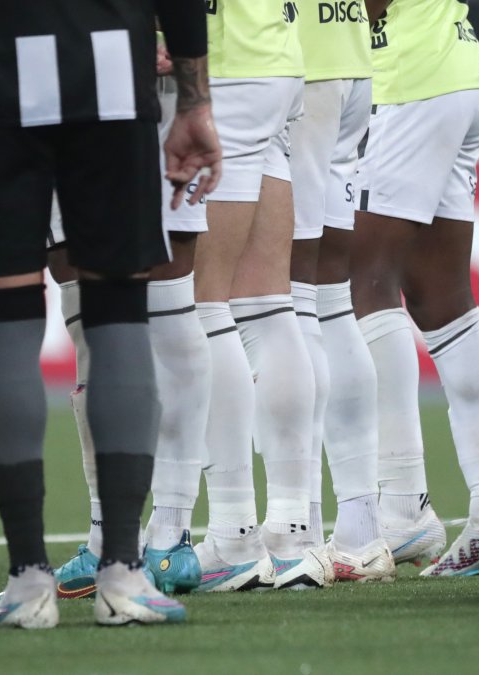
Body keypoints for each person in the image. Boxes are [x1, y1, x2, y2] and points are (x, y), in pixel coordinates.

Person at [0, 0, 220, 627]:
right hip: (105, 56)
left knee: (5, 317)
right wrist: (194, 100)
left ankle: (28, 581)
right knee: (117, 311)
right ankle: (123, 573)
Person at [351, 0, 479, 577]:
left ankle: (402, 507)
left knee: (363, 281)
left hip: (405, 76)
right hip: (455, 63)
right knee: (441, 297)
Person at [49, 37, 215, 600]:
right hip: (174, 76)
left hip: (72, 74)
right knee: (175, 302)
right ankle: (172, 538)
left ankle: (107, 539)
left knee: (89, 306)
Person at [192, 0, 328, 592]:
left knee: (199, 304)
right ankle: (293, 533)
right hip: (277, 54)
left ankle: (233, 535)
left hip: (224, 64)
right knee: (268, 302)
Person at [289, 0, 395, 582]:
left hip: (299, 64)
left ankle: (297, 531)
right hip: (350, 55)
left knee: (281, 302)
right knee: (330, 297)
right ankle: (360, 530)